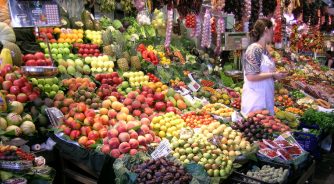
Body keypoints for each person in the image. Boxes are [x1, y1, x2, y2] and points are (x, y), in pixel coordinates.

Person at [241, 18, 288, 116]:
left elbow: (265, 72)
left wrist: (275, 76)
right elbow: (251, 76)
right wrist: (273, 74)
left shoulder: (265, 50)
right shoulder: (254, 49)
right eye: (272, 30)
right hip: (256, 101)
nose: (273, 33)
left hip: (265, 98)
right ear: (266, 29)